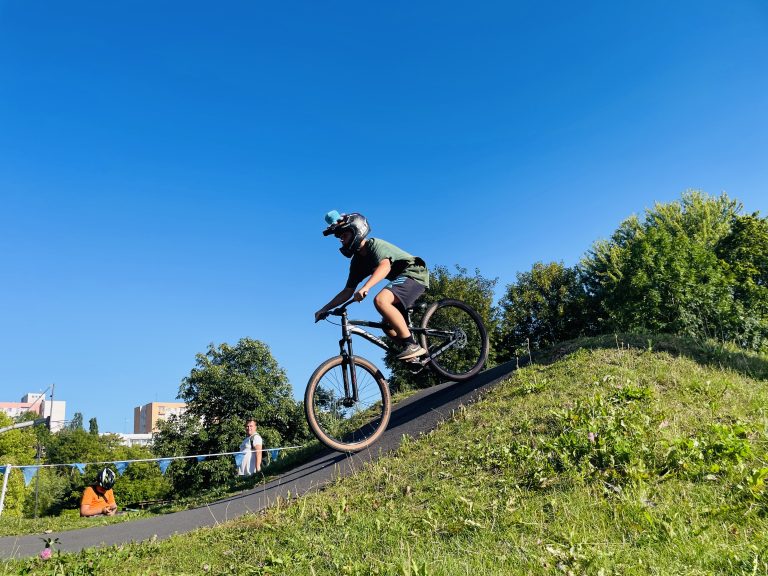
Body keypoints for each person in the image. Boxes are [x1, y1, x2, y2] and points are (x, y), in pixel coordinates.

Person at [315, 211, 430, 360]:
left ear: (356, 230)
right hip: (400, 281)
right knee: (387, 327)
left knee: (381, 300)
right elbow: (348, 291)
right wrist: (324, 309)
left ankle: (411, 346)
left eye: (344, 235)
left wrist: (366, 287)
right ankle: (420, 357)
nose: (341, 240)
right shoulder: (357, 262)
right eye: (339, 237)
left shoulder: (374, 245)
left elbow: (385, 267)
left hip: (414, 274)